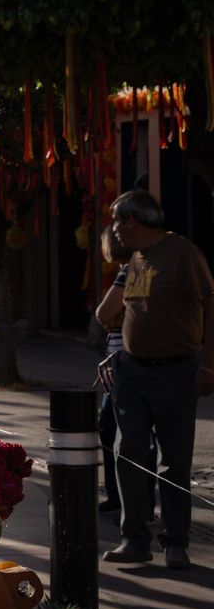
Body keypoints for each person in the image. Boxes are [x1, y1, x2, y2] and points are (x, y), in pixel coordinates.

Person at [95, 190, 212, 570]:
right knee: (127, 453)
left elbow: (211, 305)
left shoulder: (182, 253)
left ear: (132, 221)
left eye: (116, 221)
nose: (114, 229)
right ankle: (135, 539)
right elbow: (119, 314)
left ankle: (175, 541)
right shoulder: (134, 260)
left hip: (176, 369)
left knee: (173, 460)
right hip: (131, 370)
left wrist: (208, 364)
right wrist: (123, 350)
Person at [95, 225, 155, 521]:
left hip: (125, 365)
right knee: (127, 435)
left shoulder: (131, 270)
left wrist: (117, 316)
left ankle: (133, 502)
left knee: (122, 433)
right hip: (122, 363)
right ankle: (125, 498)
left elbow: (104, 314)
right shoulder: (136, 269)